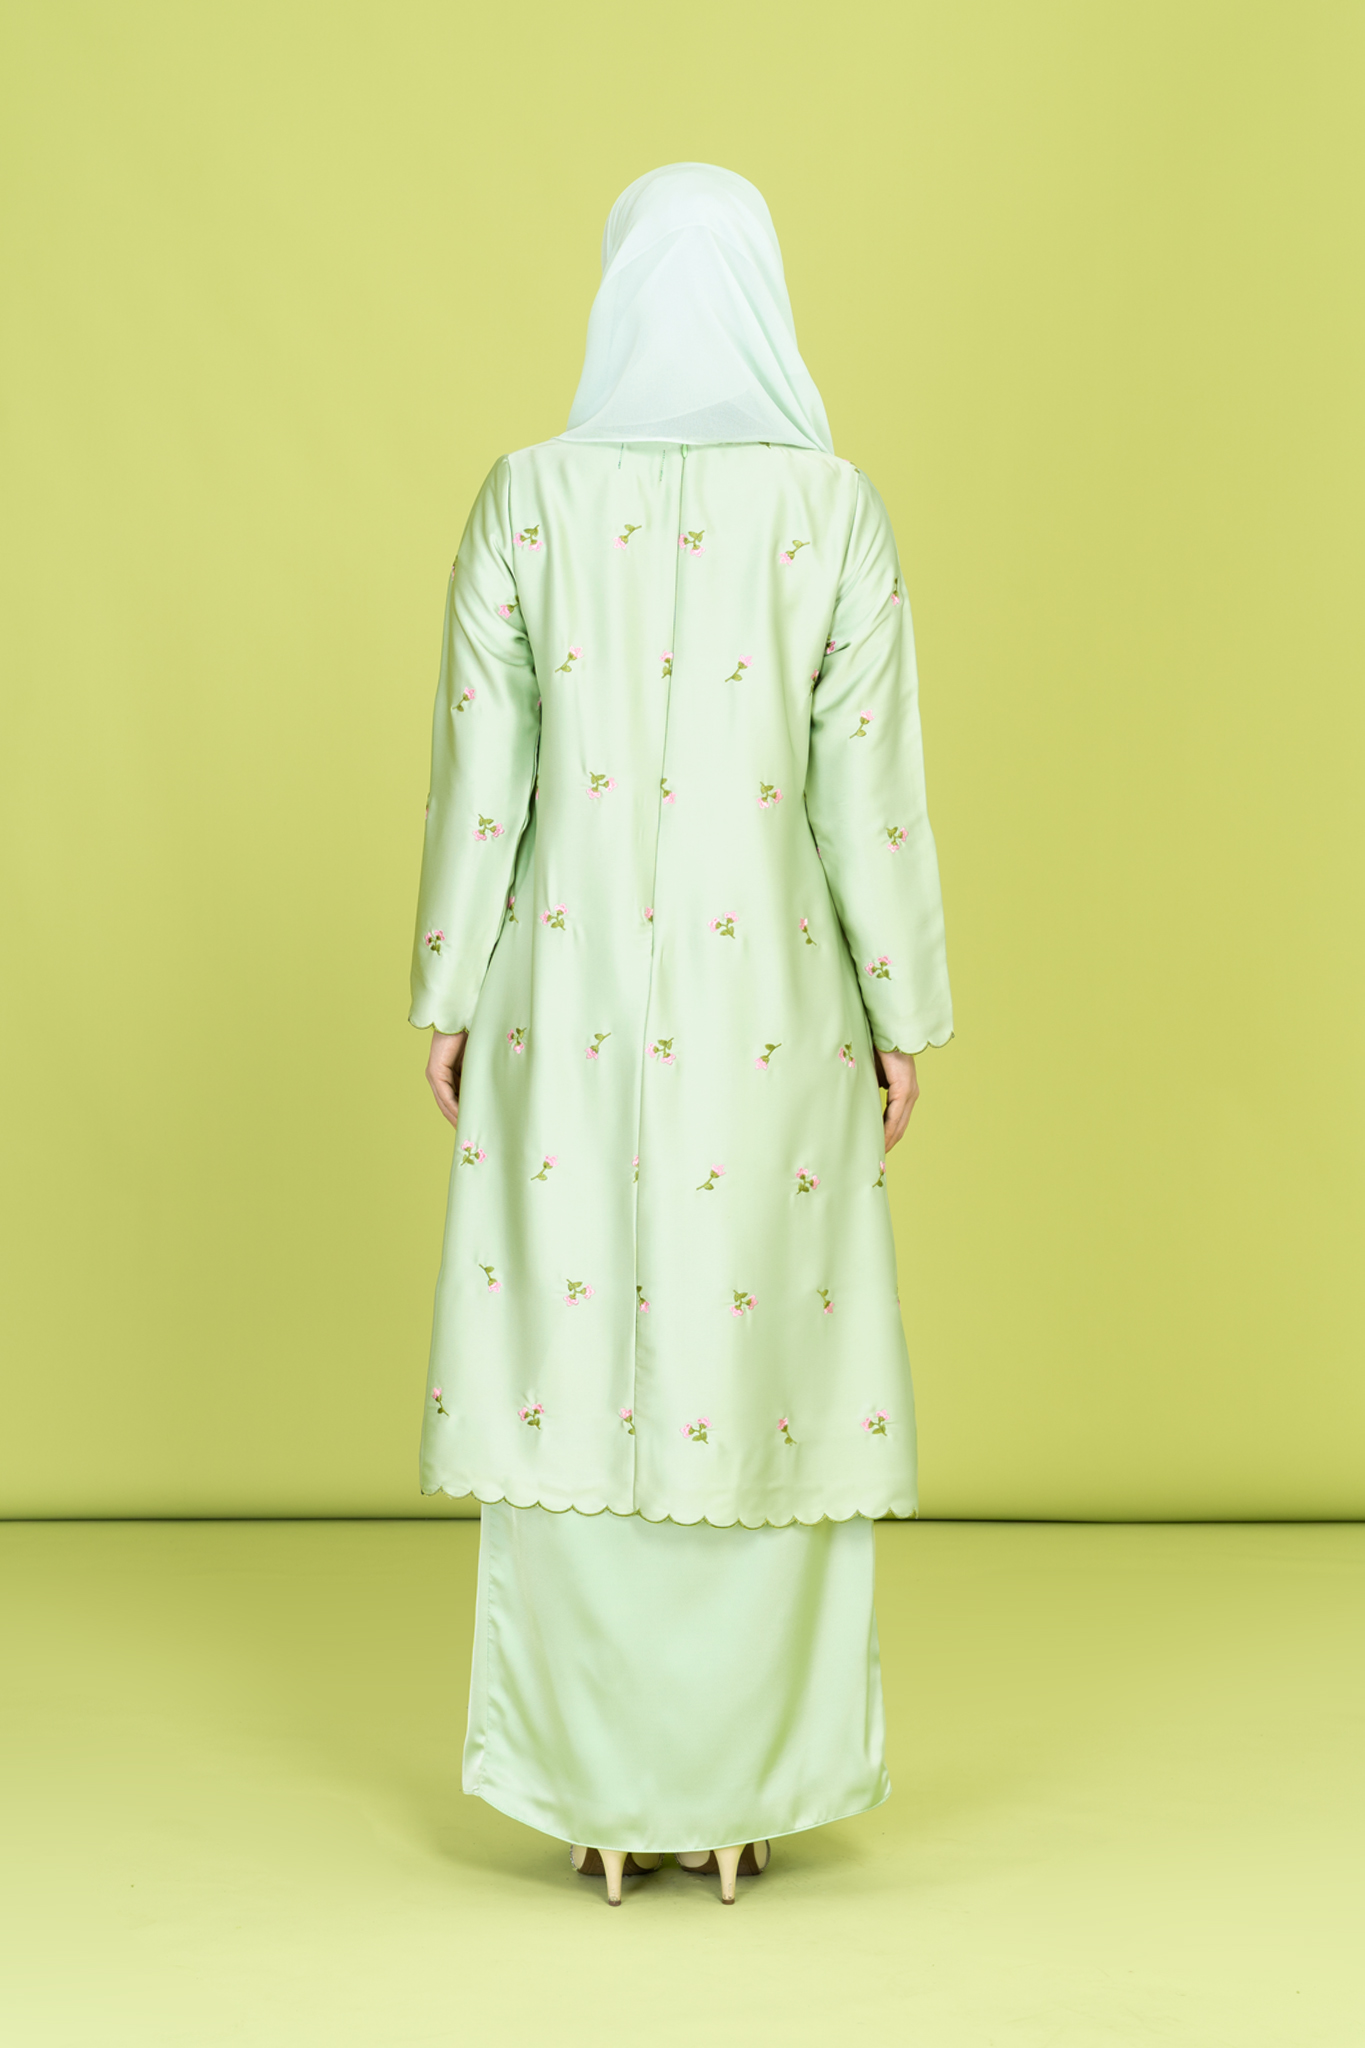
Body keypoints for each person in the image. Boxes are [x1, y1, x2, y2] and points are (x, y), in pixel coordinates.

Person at [409, 163, 952, 1905]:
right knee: (757, 1358)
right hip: (769, 1006)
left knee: (571, 1354)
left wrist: (447, 991)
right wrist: (902, 1009)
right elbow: (866, 792)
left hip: (558, 1002)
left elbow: (479, 780)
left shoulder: (525, 500)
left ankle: (591, 1793)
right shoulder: (832, 511)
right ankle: (740, 1794)